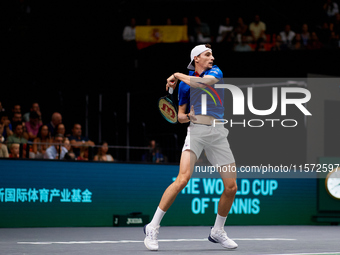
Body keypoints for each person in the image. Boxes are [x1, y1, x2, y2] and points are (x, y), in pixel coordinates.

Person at [143, 44, 238, 251]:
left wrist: (176, 75)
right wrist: (188, 117)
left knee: (231, 187)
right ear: (196, 58)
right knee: (182, 179)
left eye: (211, 54)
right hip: (196, 132)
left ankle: (217, 231)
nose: (212, 57)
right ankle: (153, 226)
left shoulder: (215, 71)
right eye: (207, 55)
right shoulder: (184, 86)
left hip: (219, 133)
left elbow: (205, 83)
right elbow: (180, 116)